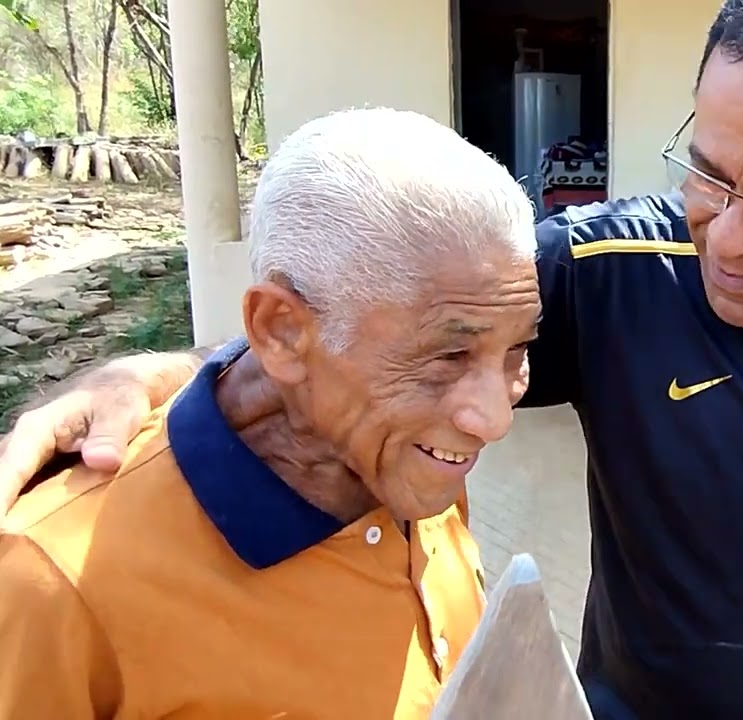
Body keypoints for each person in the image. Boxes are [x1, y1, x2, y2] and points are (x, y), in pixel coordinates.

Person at [0, 1, 743, 717]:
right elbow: (354, 331)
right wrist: (142, 375)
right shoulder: (613, 271)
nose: (730, 236)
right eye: (708, 175)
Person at [0, 107, 541, 717]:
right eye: (447, 355)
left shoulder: (410, 470)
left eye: (518, 348)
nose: (493, 419)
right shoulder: (51, 584)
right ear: (281, 330)